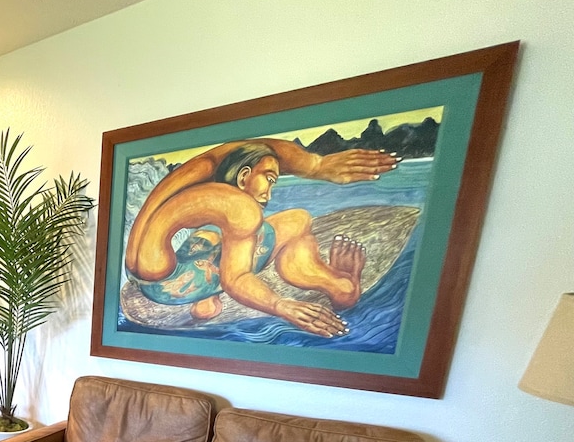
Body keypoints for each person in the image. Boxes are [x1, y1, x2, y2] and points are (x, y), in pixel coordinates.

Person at [124, 138, 398, 337]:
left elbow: (265, 149)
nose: (270, 192)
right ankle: (341, 286)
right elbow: (236, 279)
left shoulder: (202, 170)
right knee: (298, 219)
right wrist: (281, 305)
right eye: (270, 179)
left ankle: (204, 302)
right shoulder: (240, 207)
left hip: (145, 273)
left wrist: (317, 164)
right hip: (172, 284)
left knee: (216, 232)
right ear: (244, 176)